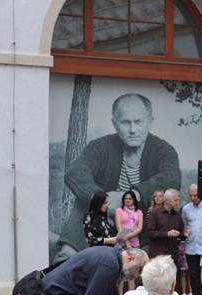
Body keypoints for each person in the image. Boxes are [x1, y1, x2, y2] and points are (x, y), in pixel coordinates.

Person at [55, 93, 182, 258]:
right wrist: (104, 200)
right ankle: (68, 254)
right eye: (125, 122)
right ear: (114, 123)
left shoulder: (163, 150)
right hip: (104, 219)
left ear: (150, 122)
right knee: (85, 202)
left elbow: (171, 178)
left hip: (141, 224)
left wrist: (131, 196)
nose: (132, 130)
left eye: (138, 122)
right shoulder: (100, 147)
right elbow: (76, 171)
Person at [82, 191, 124, 295]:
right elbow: (91, 240)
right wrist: (109, 240)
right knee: (97, 289)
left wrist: (116, 239)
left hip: (109, 255)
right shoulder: (88, 218)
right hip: (96, 257)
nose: (107, 205)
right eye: (105, 203)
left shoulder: (104, 217)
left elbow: (107, 235)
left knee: (108, 290)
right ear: (98, 203)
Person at [146, 189, 184, 270]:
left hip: (172, 255)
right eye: (175, 200)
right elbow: (150, 233)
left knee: (172, 281)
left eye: (178, 200)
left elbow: (180, 233)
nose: (178, 202)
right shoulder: (154, 213)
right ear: (167, 200)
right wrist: (167, 234)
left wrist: (185, 234)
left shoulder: (177, 215)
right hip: (158, 255)